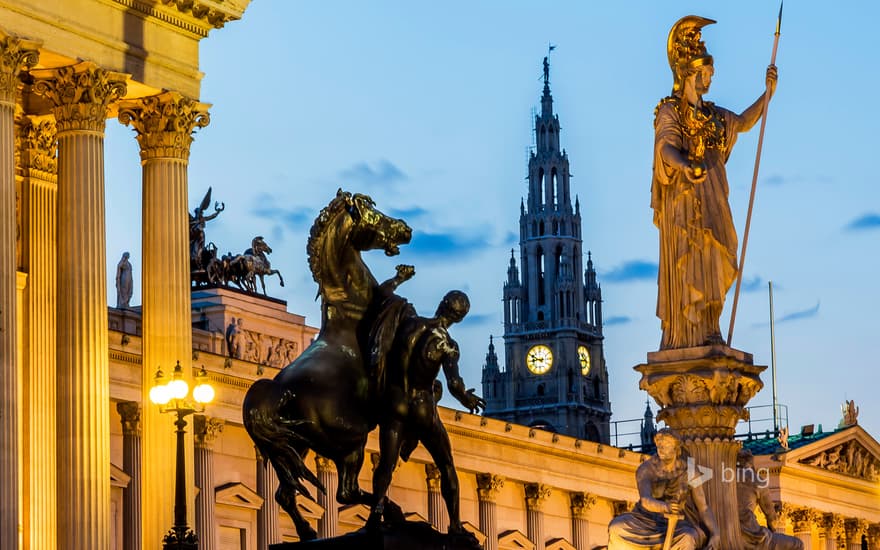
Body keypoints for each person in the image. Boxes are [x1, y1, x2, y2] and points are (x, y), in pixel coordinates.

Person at [653, 15, 777, 349]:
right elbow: (666, 147)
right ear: (690, 73)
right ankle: (689, 334)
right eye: (706, 71)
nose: (711, 75)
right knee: (693, 259)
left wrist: (766, 96)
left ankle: (710, 327)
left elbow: (744, 123)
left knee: (719, 253)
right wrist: (686, 165)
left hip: (713, 197)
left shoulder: (714, 115)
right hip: (685, 205)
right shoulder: (671, 112)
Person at [369, 290, 485, 534]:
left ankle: (375, 513)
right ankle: (454, 524)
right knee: (445, 464)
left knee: (386, 463)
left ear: (441, 304)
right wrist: (468, 399)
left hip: (396, 402)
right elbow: (454, 385)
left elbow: (384, 352)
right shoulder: (448, 345)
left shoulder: (411, 324)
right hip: (422, 408)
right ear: (460, 318)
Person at [608, 428, 719, 550]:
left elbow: (703, 507)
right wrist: (666, 507)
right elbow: (645, 500)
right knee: (616, 527)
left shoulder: (691, 471)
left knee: (687, 538)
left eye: (666, 444)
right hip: (645, 519)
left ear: (676, 448)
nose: (661, 448)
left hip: (677, 523)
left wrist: (715, 533)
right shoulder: (646, 469)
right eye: (659, 445)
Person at [736, 450, 803, 550]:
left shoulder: (724, 478)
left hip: (726, 530)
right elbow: (772, 518)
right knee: (798, 544)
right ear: (751, 463)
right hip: (751, 535)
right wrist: (772, 529)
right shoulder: (757, 480)